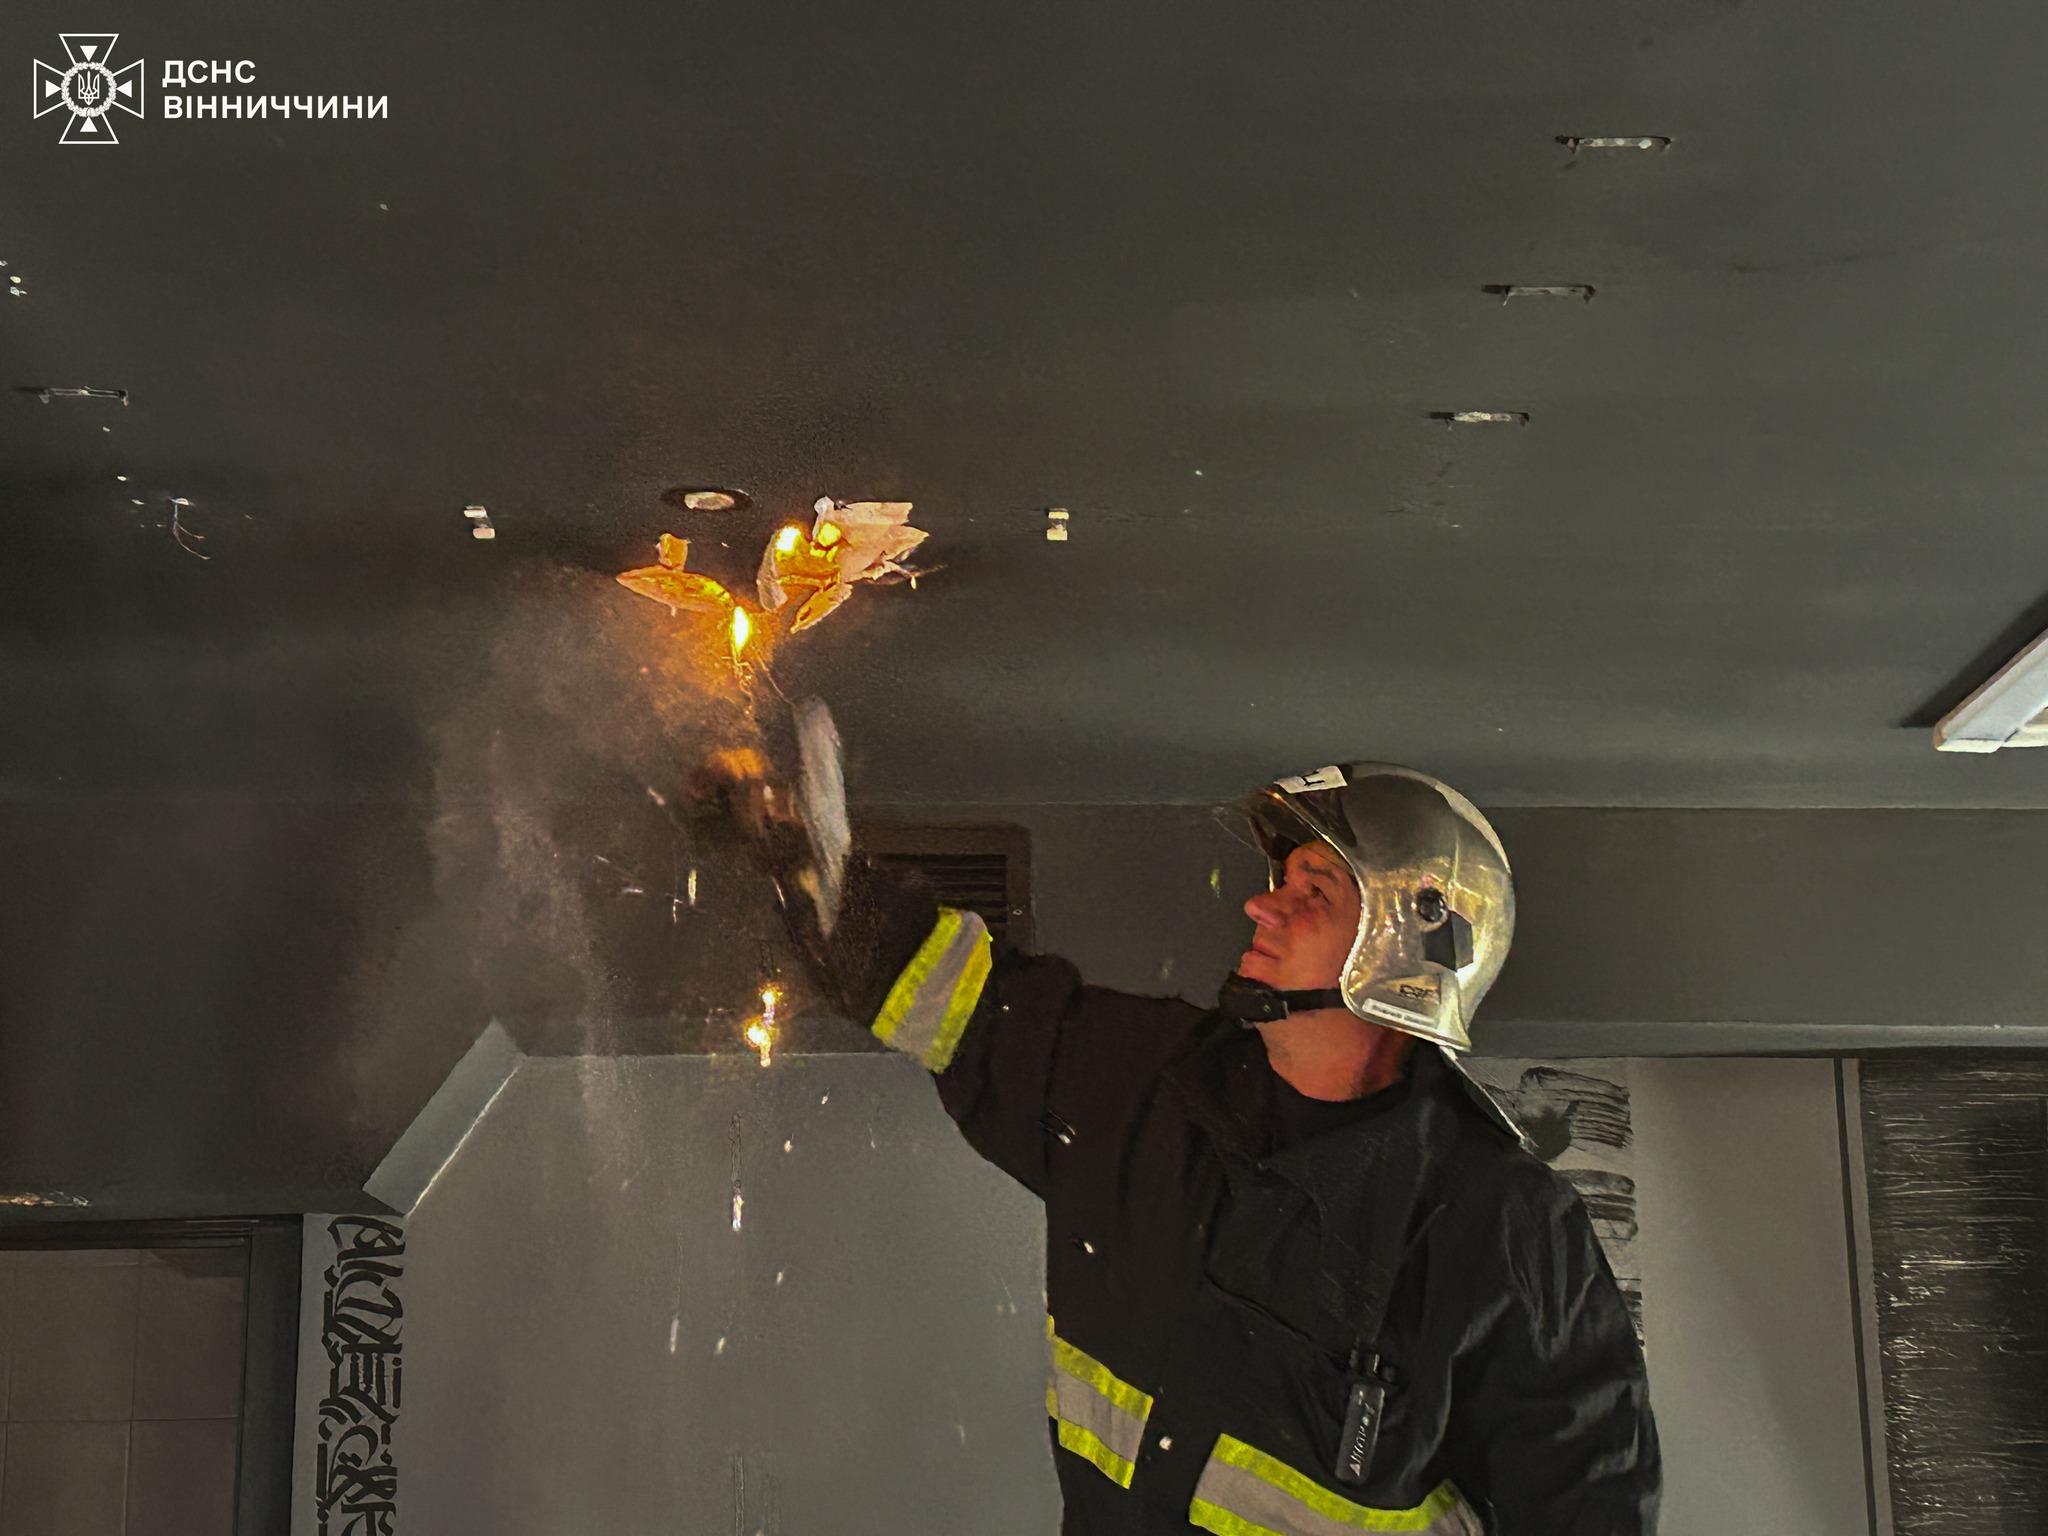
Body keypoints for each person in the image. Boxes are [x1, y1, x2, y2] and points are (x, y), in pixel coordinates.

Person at [740, 759, 1659, 1535]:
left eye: (1313, 892)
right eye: (1282, 880)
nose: (1263, 907)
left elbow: (1590, 1510)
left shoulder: (1503, 1231)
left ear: (1407, 949)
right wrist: (798, 864)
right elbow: (963, 1006)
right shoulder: (1145, 1085)